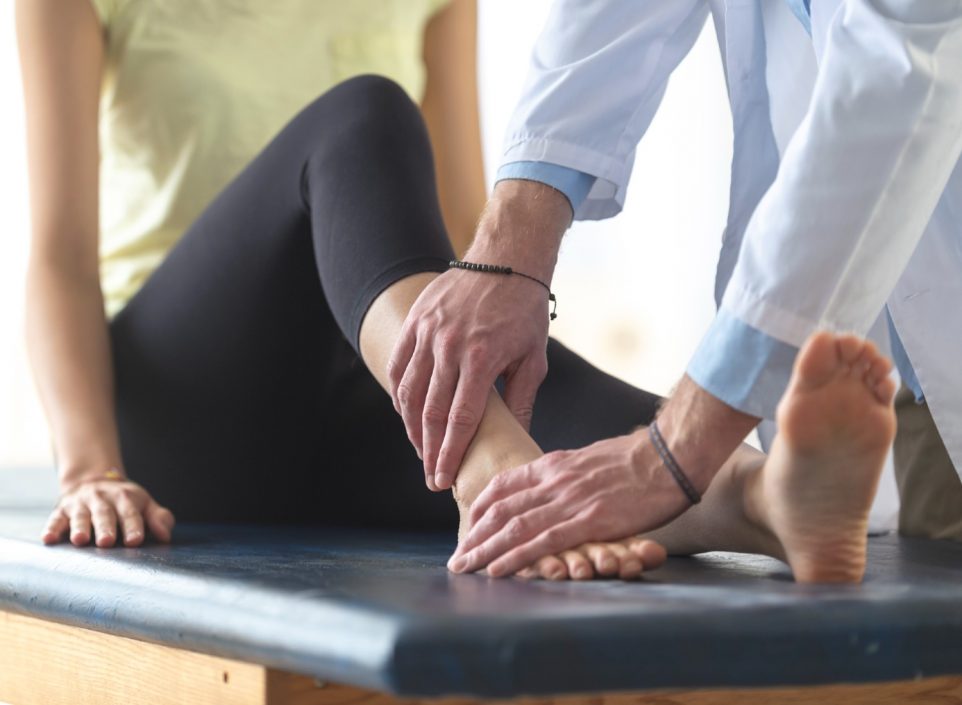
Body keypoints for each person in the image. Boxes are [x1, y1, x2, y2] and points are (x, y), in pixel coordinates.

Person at [16, 0, 671, 581]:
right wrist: (86, 472)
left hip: (369, 393)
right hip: (194, 411)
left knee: (659, 441)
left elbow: (470, 230)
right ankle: (489, 457)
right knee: (362, 113)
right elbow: (61, 258)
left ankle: (755, 499)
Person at [394, 0, 962, 578]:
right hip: (916, 360)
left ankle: (760, 495)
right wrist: (510, 246)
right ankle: (764, 497)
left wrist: (671, 455)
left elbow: (899, 66)